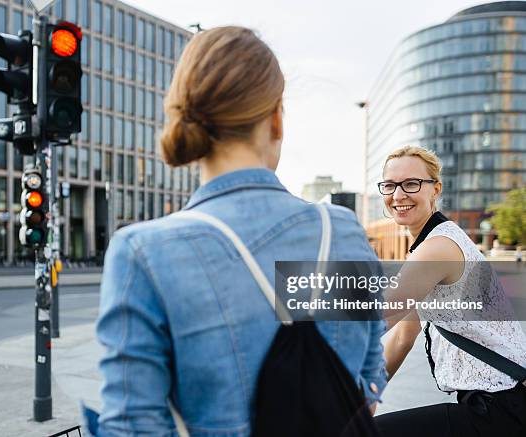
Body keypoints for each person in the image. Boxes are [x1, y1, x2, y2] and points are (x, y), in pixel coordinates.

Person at [93, 26, 387, 436]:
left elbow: (133, 426)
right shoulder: (340, 231)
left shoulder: (145, 253)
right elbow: (367, 383)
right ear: (277, 119)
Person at [374, 146, 526, 436]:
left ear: (435, 189)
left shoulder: (438, 247)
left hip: (497, 410)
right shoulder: (434, 242)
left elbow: (375, 320)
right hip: (495, 407)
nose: (398, 195)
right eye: (390, 185)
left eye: (411, 183)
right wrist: (363, 397)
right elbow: (403, 338)